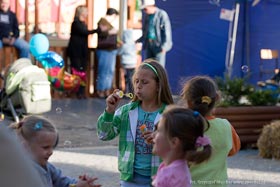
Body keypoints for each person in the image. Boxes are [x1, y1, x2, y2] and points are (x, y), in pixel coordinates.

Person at [97, 59, 174, 186]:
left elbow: (178, 145)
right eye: (136, 81)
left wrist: (161, 138)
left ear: (158, 86)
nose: (138, 86)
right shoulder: (125, 112)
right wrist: (109, 111)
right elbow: (103, 135)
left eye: (144, 82)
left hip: (160, 179)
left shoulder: (170, 114)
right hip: (129, 180)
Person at [180, 75, 241, 187]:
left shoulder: (183, 127)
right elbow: (233, 151)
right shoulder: (226, 126)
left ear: (188, 101)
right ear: (216, 99)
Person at [10, 115, 101, 187]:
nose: (51, 152)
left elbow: (63, 181)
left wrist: (78, 183)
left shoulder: (47, 166)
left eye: (52, 147)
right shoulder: (25, 173)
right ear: (25, 147)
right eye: (45, 147)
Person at [152, 106, 212, 187]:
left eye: (158, 130)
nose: (153, 134)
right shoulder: (175, 168)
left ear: (174, 142)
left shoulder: (171, 174)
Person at [67, 5, 100, 99]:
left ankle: (81, 91)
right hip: (75, 52)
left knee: (82, 71)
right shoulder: (76, 23)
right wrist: (97, 30)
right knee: (77, 71)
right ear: (81, 13)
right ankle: (76, 91)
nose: (87, 14)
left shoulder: (83, 23)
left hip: (82, 51)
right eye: (86, 11)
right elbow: (84, 32)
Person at [136, 0, 172, 67]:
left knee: (158, 68)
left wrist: (165, 46)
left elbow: (167, 31)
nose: (144, 11)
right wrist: (138, 41)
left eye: (145, 9)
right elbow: (145, 32)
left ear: (151, 6)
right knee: (148, 66)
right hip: (149, 44)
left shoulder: (162, 14)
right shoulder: (147, 16)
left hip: (159, 46)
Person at [96, 8, 119, 98]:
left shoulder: (110, 24)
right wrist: (110, 32)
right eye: (115, 16)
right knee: (103, 71)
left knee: (110, 71)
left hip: (111, 50)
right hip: (104, 50)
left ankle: (107, 89)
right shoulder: (102, 22)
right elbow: (100, 33)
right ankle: (101, 90)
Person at [118, 29, 138, 93]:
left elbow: (119, 52)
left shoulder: (124, 45)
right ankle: (132, 92)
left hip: (126, 63)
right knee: (132, 78)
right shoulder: (133, 44)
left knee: (126, 78)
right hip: (133, 63)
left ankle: (127, 92)